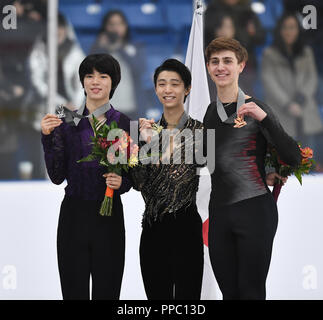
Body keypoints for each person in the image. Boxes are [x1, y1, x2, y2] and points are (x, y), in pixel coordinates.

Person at [203, 37, 301, 299]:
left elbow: (293, 157)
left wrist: (265, 119)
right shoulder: (210, 113)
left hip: (255, 211)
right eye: (214, 61)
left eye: (227, 61)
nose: (220, 67)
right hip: (220, 215)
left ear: (241, 66)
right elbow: (205, 159)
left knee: (252, 292)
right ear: (208, 68)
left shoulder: (257, 109)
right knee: (229, 294)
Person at [40, 54, 132, 300]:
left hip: (109, 219)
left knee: (108, 293)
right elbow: (57, 176)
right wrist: (48, 138)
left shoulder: (124, 123)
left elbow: (132, 176)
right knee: (73, 293)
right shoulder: (66, 122)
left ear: (113, 83)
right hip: (74, 217)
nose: (95, 81)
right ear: (82, 82)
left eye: (103, 76)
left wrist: (122, 183)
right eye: (89, 76)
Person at [131, 59, 204, 300]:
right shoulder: (145, 131)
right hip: (153, 230)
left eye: (175, 83)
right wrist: (146, 142)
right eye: (162, 84)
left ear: (187, 88)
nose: (168, 89)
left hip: (187, 229)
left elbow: (214, 168)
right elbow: (138, 182)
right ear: (155, 89)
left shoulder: (202, 132)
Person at [261, 12, 323, 168]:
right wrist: (288, 103)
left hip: (305, 108)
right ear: (279, 31)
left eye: (293, 27)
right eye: (285, 28)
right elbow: (269, 82)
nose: (289, 31)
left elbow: (312, 78)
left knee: (309, 164)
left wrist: (302, 96)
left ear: (298, 30)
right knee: (283, 167)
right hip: (281, 111)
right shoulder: (269, 54)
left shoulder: (306, 52)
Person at [90, 10, 148, 120]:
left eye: (120, 24)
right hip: (105, 111)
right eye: (112, 24)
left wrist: (120, 48)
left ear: (126, 26)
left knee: (133, 137)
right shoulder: (98, 49)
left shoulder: (135, 47)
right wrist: (101, 48)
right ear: (105, 27)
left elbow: (140, 69)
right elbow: (89, 72)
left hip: (132, 110)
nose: (116, 28)